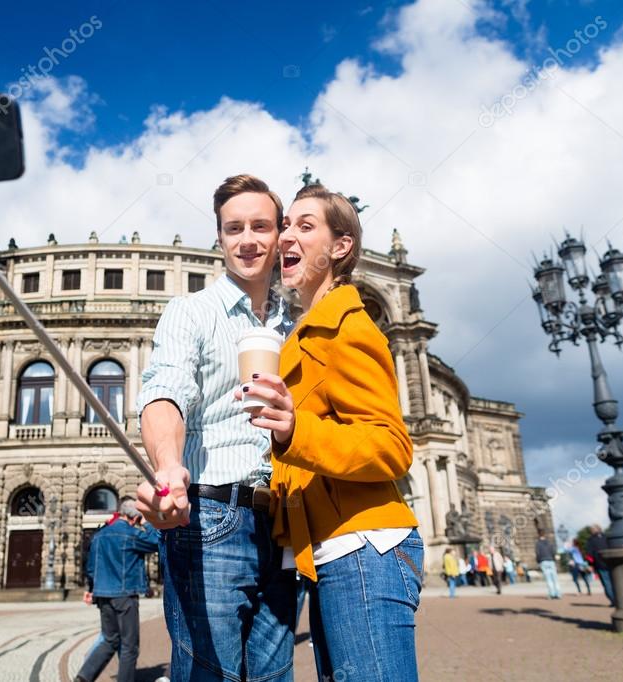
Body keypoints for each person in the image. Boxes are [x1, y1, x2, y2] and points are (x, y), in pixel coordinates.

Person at [242, 183, 423, 682]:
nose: (284, 238)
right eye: (285, 227)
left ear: (340, 247)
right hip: (332, 550)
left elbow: (391, 447)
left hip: (364, 547)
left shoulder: (348, 327)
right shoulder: (307, 329)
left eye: (305, 226)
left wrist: (296, 430)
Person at [135, 175, 299, 681]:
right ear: (221, 238)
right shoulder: (191, 312)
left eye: (260, 226)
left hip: (285, 522)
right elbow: (166, 390)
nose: (247, 239)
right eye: (234, 228)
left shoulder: (295, 324)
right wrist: (169, 468)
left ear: (278, 236)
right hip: (211, 518)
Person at [76, 498, 160, 682]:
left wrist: (92, 589)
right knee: (130, 645)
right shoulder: (130, 534)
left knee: (109, 639)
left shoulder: (99, 535)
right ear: (134, 518)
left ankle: (84, 677)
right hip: (124, 595)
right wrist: (147, 522)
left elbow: (90, 568)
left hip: (103, 594)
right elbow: (157, 542)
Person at [585, 524, 616, 606]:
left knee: (607, 583)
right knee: (614, 582)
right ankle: (618, 599)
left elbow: (589, 555)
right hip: (611, 562)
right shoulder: (607, 537)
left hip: (600, 564)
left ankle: (614, 600)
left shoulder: (591, 540)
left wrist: (590, 565)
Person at [535, 531, 561, 599]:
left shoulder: (538, 543)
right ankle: (558, 594)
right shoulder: (549, 542)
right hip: (551, 561)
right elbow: (553, 551)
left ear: (539, 536)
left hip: (543, 561)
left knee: (548, 579)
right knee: (555, 578)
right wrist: (553, 560)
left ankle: (552, 594)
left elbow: (538, 553)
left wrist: (538, 561)